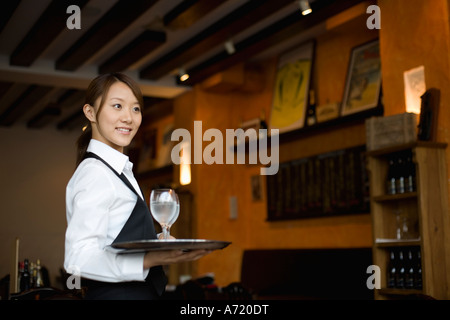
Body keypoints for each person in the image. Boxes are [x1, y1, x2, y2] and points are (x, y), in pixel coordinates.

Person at [64, 73, 210, 300]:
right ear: (90, 112)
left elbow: (112, 242)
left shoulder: (119, 171)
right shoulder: (95, 172)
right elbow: (78, 259)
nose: (128, 118)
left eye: (135, 109)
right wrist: (149, 259)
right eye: (117, 106)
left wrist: (157, 244)